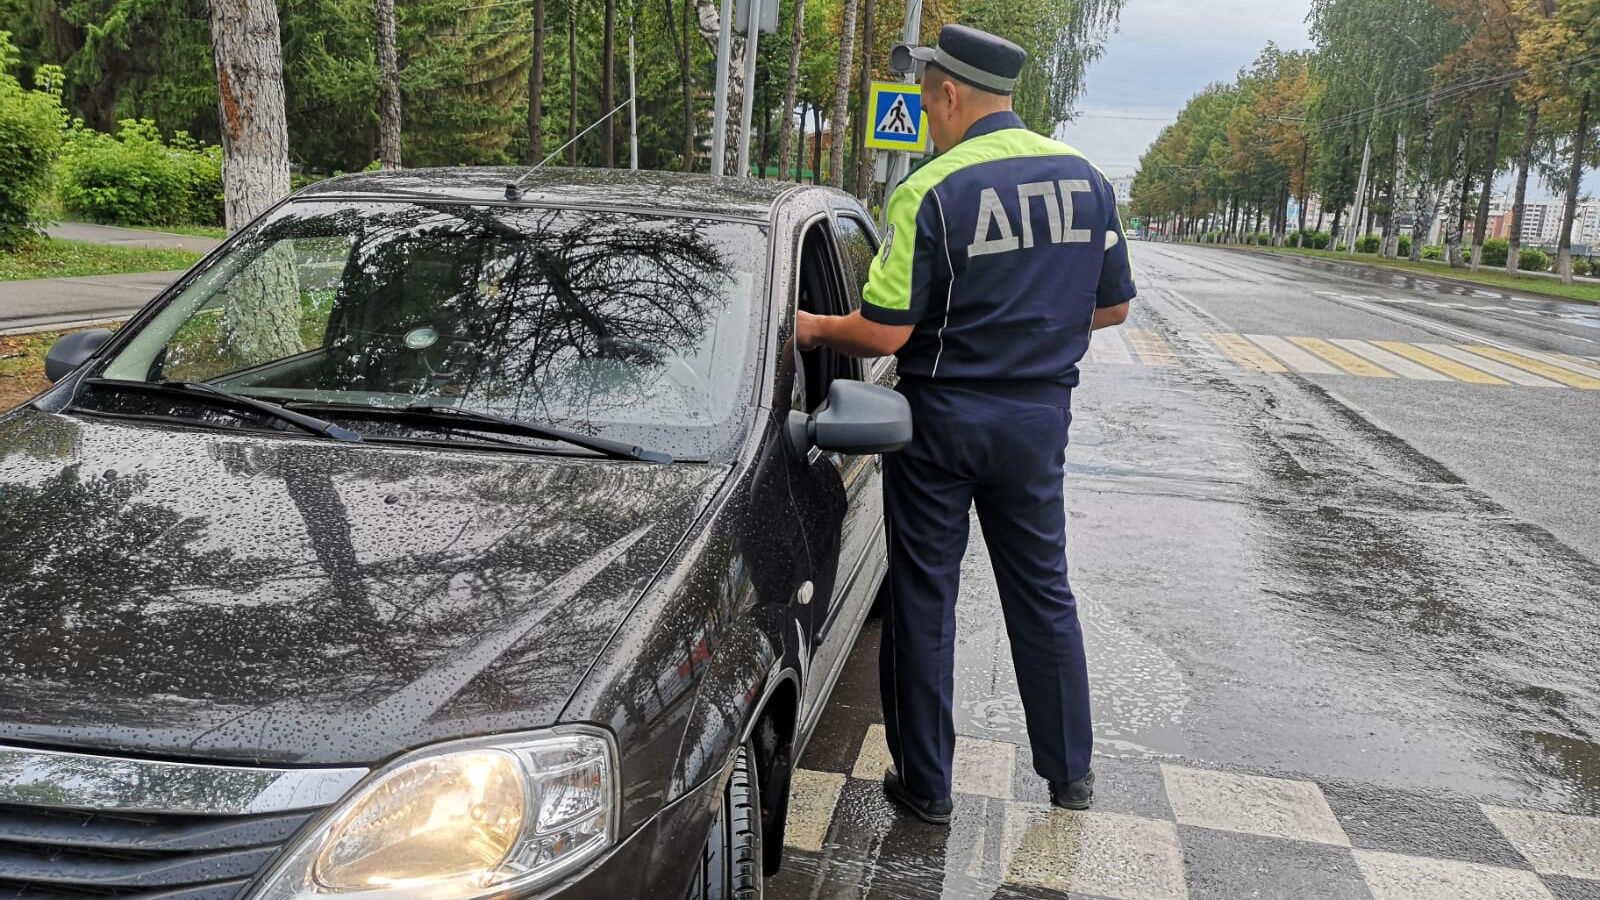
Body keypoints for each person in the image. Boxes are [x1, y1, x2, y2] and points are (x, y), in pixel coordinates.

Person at [795, 23, 1135, 824]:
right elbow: (1114, 305)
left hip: (942, 422)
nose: (927, 115)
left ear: (950, 94)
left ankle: (927, 786)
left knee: (924, 601)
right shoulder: (1086, 178)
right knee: (1043, 594)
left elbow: (882, 332)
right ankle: (1069, 776)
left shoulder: (930, 189)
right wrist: (1036, 329)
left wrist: (812, 327)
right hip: (1036, 424)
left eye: (926, 100)